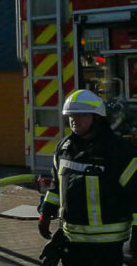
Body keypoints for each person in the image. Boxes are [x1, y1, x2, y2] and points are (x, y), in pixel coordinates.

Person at [38, 89, 137, 266]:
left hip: (107, 245)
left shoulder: (118, 149)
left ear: (97, 117)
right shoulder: (64, 148)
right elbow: (57, 187)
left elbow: (136, 192)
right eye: (71, 115)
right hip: (72, 241)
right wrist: (45, 213)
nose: (74, 120)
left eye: (81, 115)